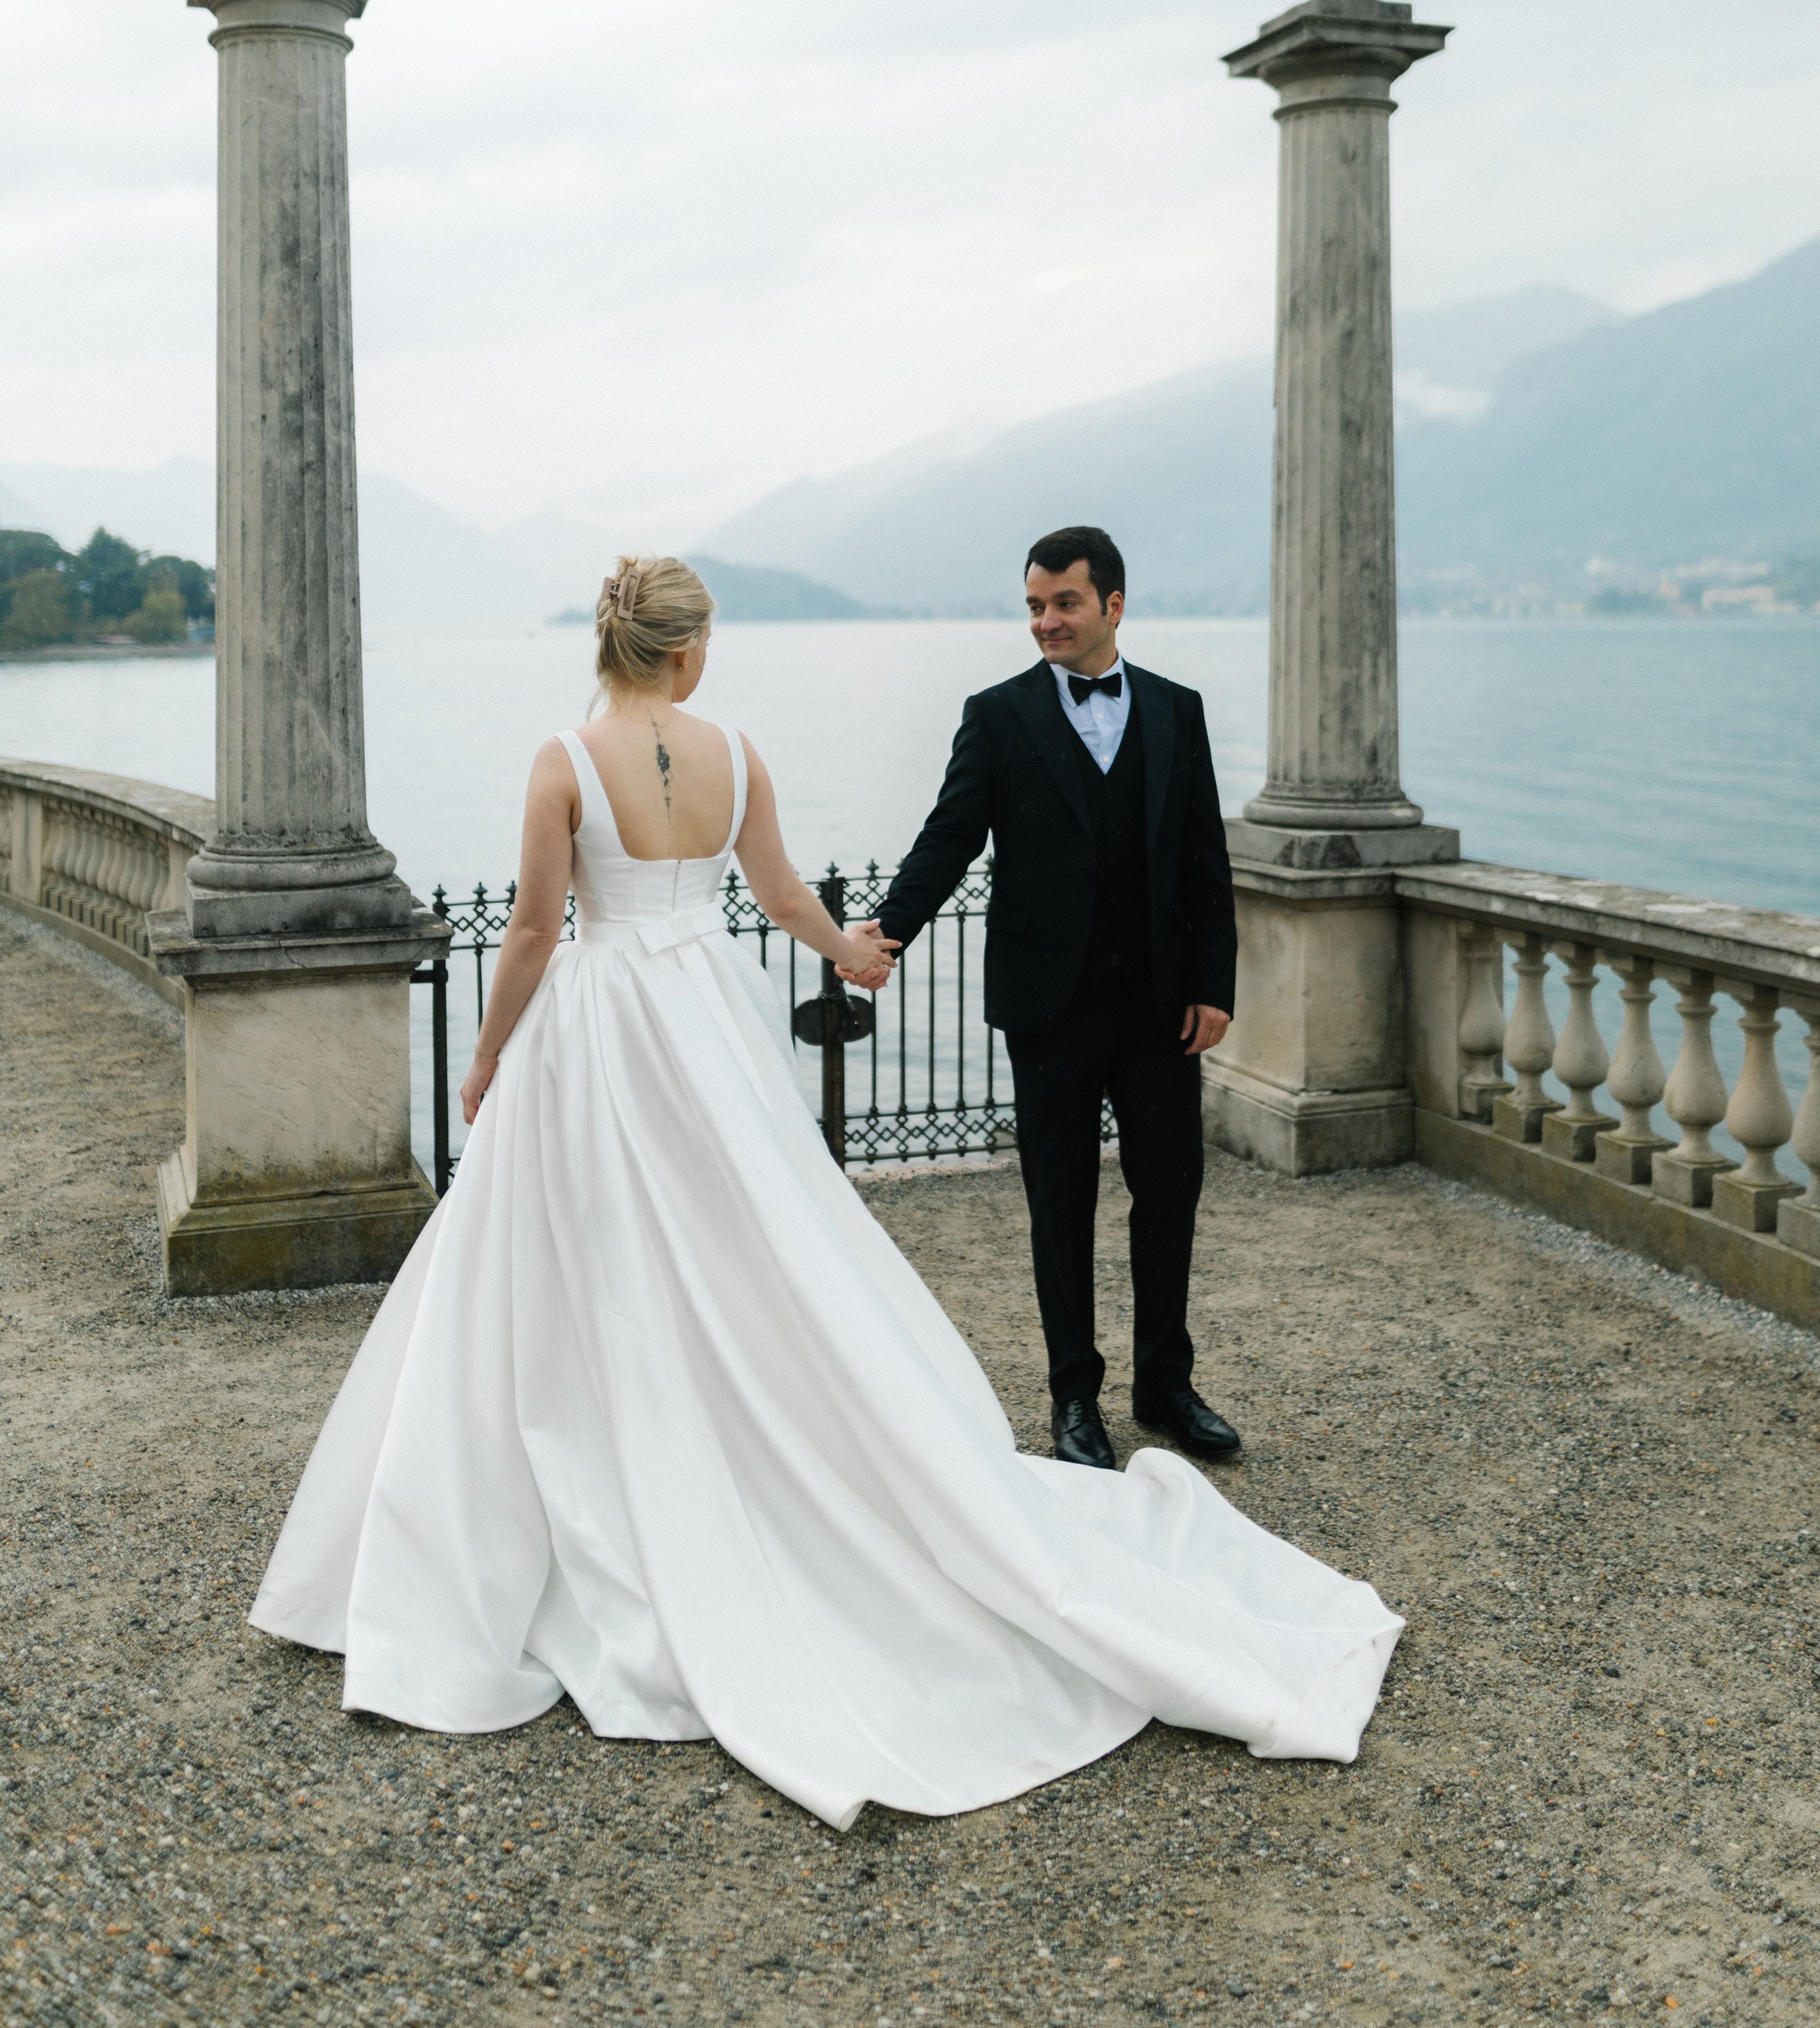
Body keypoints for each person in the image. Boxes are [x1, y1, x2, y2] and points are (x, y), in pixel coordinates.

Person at [249, 555, 1400, 1829]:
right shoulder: (737, 751)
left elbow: (531, 932)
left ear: (614, 643)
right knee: (755, 1245)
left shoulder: (562, 762)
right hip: (705, 1025)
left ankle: (576, 1482)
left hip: (601, 1029)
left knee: (575, 1254)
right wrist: (851, 950)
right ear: (687, 651)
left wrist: (482, 1059)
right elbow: (783, 893)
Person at [858, 528, 1239, 1477]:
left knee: (1171, 1196)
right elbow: (947, 839)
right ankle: (1075, 1397)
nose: (1045, 622)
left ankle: (1166, 1385)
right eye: (1033, 605)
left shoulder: (1176, 712)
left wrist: (1214, 986)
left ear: (1112, 604)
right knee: (1058, 1204)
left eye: (1063, 603)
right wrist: (884, 934)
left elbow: (1205, 865)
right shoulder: (998, 717)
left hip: (1160, 1010)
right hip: (1049, 1009)